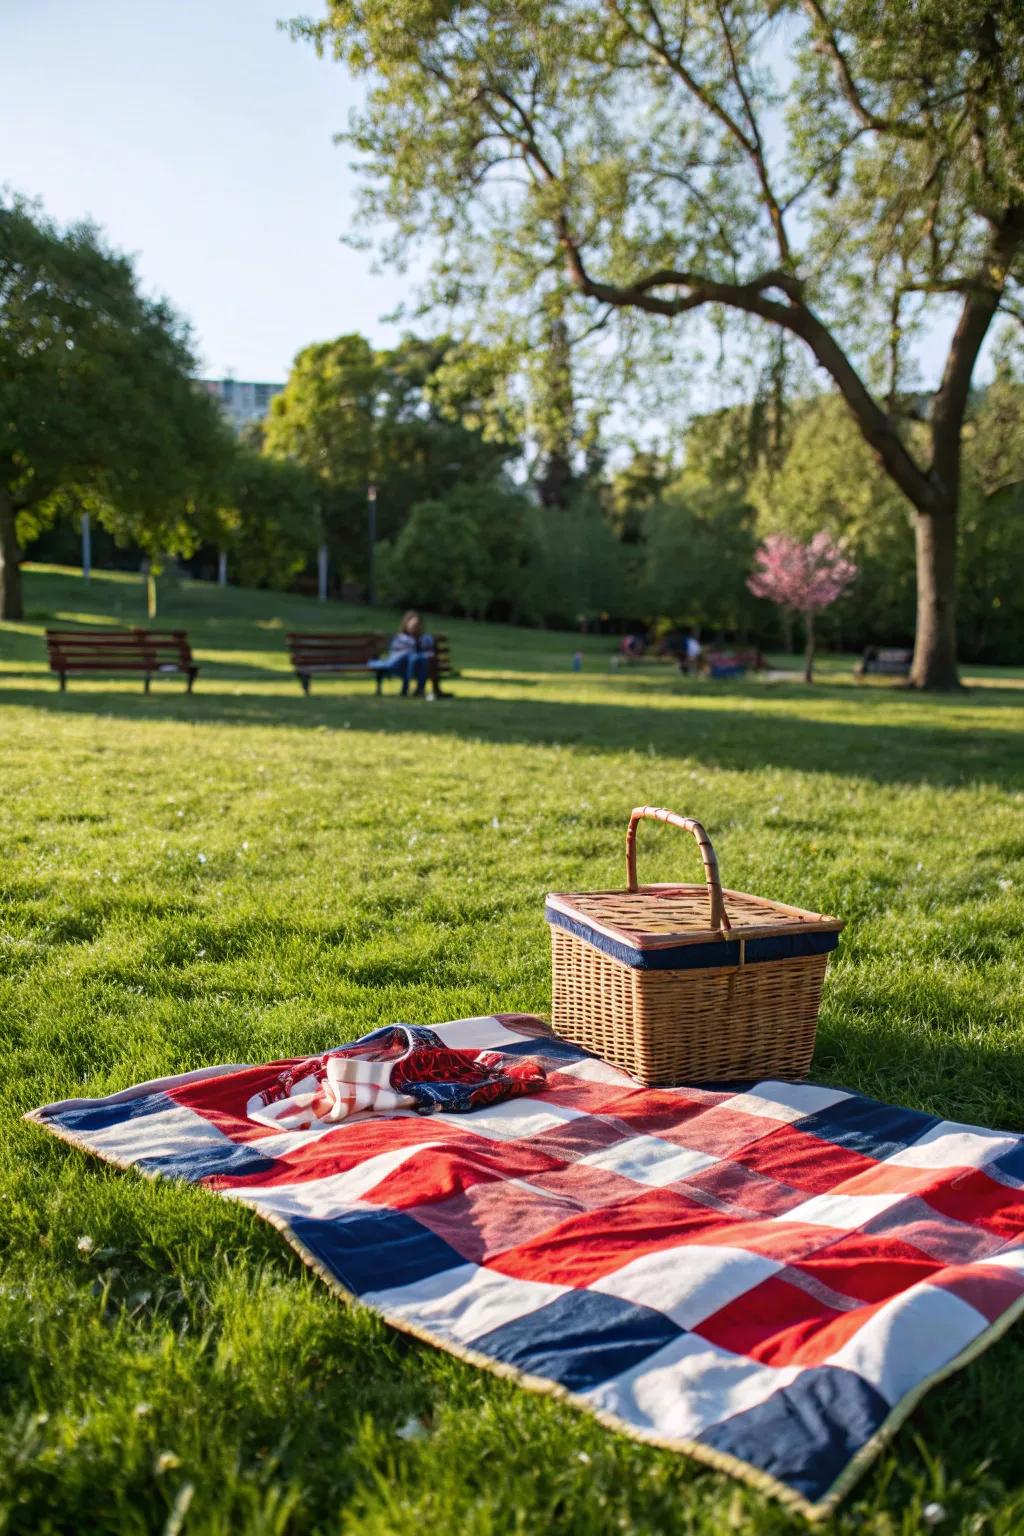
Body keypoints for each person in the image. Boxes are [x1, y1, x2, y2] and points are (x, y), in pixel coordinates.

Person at [374, 611, 452, 698]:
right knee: (414, 658)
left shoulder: (426, 638)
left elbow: (430, 652)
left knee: (422, 658)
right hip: (400, 665)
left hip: (421, 666)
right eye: (414, 626)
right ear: (406, 625)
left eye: (418, 625)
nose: (416, 628)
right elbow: (397, 655)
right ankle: (419, 689)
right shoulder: (401, 638)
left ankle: (419, 689)